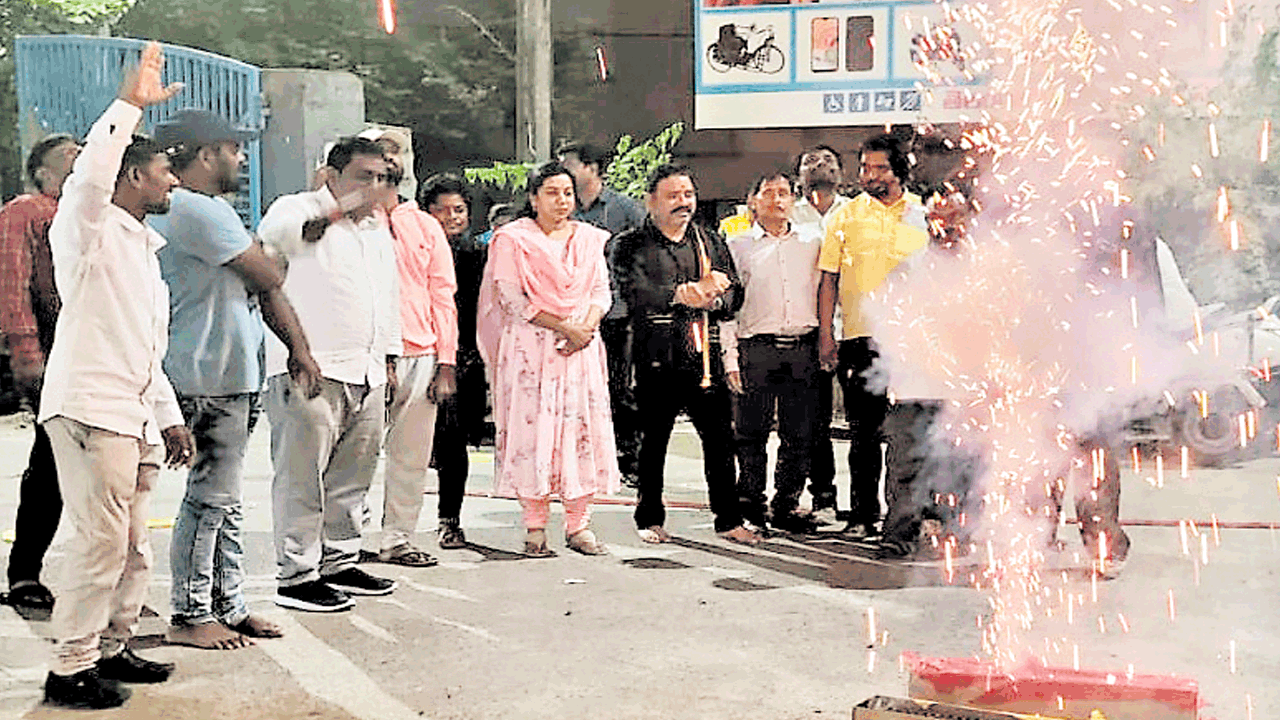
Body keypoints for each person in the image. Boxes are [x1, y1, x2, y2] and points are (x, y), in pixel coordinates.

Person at [38, 42, 195, 709]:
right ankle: (69, 666)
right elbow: (90, 176)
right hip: (91, 409)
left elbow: (143, 349)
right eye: (164, 171)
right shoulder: (88, 228)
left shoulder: (142, 250)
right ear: (133, 176)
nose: (173, 182)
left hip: (131, 414)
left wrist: (167, 415)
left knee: (132, 546)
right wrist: (129, 106)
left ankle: (112, 646)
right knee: (99, 542)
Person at [151, 109, 320, 648]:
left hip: (225, 370)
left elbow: (264, 285)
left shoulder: (201, 210)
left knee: (224, 500)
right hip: (208, 374)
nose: (241, 158)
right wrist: (272, 255)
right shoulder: (198, 210)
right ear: (205, 154)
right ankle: (191, 613)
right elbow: (269, 275)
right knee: (208, 500)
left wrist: (297, 347)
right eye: (232, 149)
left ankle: (229, 604)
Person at [257, 136, 401, 612]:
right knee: (302, 476)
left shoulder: (378, 229)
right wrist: (343, 209)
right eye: (364, 176)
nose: (375, 187)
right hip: (311, 368)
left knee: (352, 476)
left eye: (382, 178)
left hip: (367, 369)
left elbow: (386, 295)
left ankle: (340, 559)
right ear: (330, 176)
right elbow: (286, 239)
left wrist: (389, 358)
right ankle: (296, 574)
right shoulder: (293, 207)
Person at [477, 162, 620, 556]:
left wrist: (585, 328)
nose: (562, 201)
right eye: (552, 192)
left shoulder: (590, 239)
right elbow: (512, 298)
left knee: (580, 433)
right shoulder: (512, 240)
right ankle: (534, 526)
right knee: (532, 433)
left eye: (568, 193)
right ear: (533, 198)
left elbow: (600, 293)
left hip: (580, 350)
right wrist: (564, 327)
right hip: (532, 347)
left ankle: (579, 525)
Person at [614, 164, 760, 546]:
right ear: (651, 201)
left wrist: (717, 296)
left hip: (705, 355)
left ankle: (728, 518)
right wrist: (683, 293)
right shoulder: (630, 244)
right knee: (653, 443)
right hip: (654, 356)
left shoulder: (708, 240)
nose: (684, 203)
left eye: (688, 195)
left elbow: (734, 293)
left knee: (720, 441)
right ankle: (649, 517)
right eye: (674, 196)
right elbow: (634, 292)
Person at [817, 134, 928, 538]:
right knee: (863, 435)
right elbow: (828, 281)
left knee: (911, 437)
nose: (869, 175)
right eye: (864, 168)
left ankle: (910, 518)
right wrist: (827, 335)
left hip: (912, 343)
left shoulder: (922, 215)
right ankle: (863, 515)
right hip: (860, 340)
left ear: (899, 169)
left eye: (879, 168)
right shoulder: (844, 217)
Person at [364, 128, 460, 562]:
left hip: (420, 353)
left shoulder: (423, 225)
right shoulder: (350, 222)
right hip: (363, 353)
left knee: (411, 456)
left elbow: (442, 294)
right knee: (355, 454)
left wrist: (447, 363)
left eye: (396, 153)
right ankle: (346, 544)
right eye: (379, 154)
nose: (389, 161)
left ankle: (397, 539)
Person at [0, 133, 79, 611]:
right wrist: (27, 352)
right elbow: (12, 283)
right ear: (45, 173)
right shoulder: (29, 211)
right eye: (71, 158)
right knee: (53, 460)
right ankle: (25, 572)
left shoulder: (91, 216)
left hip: (79, 349)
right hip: (46, 348)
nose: (83, 163)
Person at [722, 171, 824, 535]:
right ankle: (750, 503)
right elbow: (728, 309)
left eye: (785, 193)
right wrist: (729, 358)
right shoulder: (737, 246)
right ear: (753, 201)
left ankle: (787, 504)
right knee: (751, 433)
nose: (777, 200)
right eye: (769, 193)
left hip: (802, 347)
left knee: (800, 433)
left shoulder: (813, 242)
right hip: (756, 348)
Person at [558, 142, 648, 487]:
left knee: (617, 388)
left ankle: (629, 458)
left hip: (617, 314)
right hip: (570, 316)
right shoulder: (562, 210)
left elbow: (648, 247)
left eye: (569, 164)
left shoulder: (624, 209)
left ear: (592, 168)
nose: (564, 170)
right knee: (575, 392)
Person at [423, 174, 485, 547]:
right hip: (417, 352)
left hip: (462, 359)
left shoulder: (478, 255)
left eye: (459, 210)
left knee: (452, 443)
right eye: (442, 210)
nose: (452, 217)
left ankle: (450, 519)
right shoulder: (410, 252)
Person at [793, 145, 852, 528]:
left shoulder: (855, 212)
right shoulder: (788, 214)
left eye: (829, 161)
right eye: (811, 161)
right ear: (798, 176)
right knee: (813, 422)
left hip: (855, 328)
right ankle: (822, 498)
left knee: (863, 426)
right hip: (807, 329)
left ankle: (866, 507)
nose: (820, 166)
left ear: (842, 174)